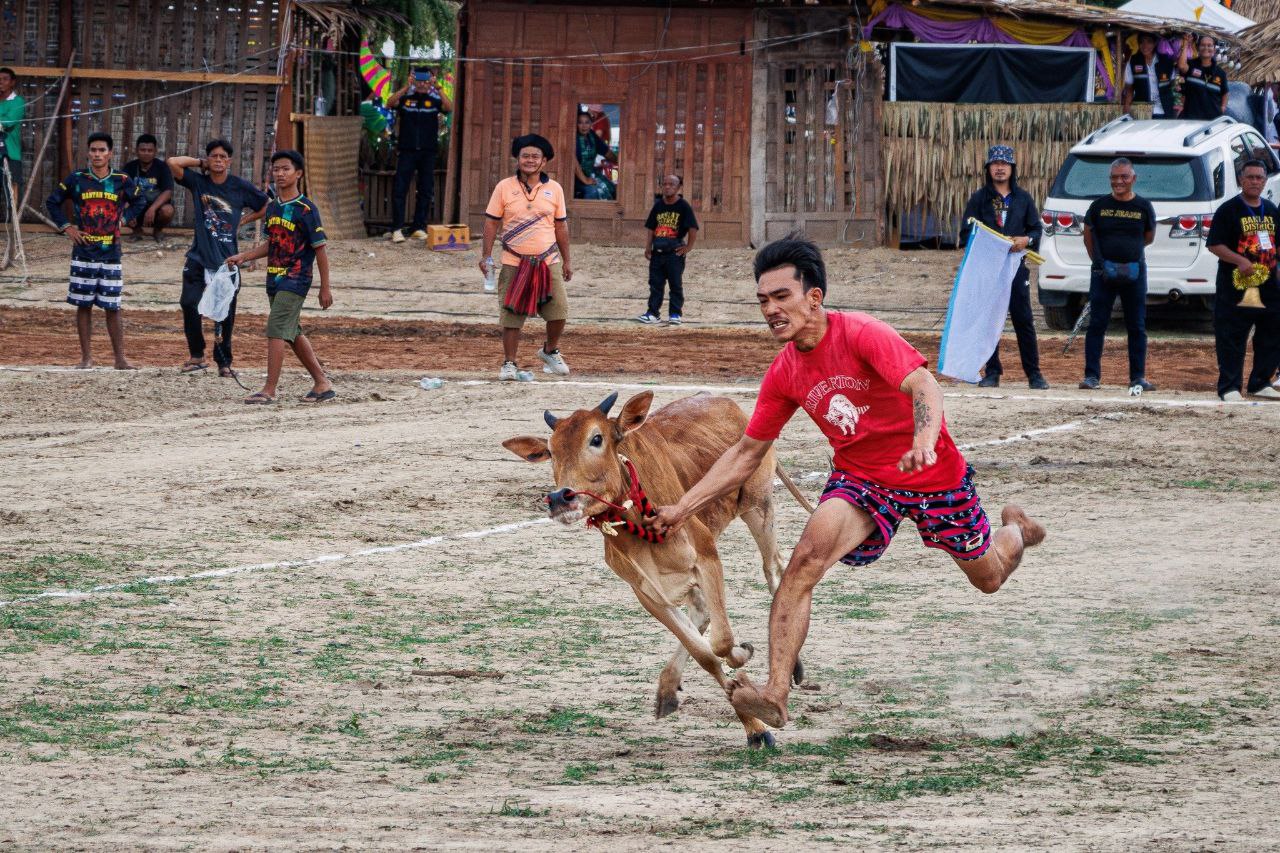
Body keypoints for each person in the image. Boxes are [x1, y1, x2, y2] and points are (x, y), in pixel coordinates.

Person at [646, 235, 1045, 729]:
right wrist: (681, 508)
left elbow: (923, 384)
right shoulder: (785, 370)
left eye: (781, 296)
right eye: (763, 300)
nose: (770, 309)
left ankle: (1016, 529)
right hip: (861, 480)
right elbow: (747, 452)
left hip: (932, 472)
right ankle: (774, 693)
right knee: (801, 566)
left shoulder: (862, 333)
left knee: (988, 577)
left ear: (814, 297)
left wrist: (923, 440)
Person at [225, 150, 334, 404]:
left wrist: (325, 288)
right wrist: (245, 256)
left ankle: (269, 390)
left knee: (275, 329)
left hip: (296, 279)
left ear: (298, 174)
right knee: (292, 332)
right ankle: (322, 383)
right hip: (273, 279)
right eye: (276, 169)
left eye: (285, 169)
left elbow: (320, 249)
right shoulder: (273, 208)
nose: (280, 174)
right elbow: (272, 245)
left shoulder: (306, 209)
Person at [45, 132, 147, 369]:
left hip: (111, 252)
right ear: (88, 152)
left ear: (110, 153)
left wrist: (124, 220)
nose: (97, 154)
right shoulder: (77, 178)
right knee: (84, 304)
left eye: (102, 150)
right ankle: (86, 358)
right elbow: (53, 202)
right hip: (84, 251)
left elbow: (140, 202)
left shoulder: (122, 179)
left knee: (113, 305)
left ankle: (120, 359)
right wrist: (67, 227)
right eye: (93, 150)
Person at [168, 138, 269, 377]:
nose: (218, 161)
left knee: (225, 312)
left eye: (223, 157)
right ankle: (196, 355)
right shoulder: (199, 183)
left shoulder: (239, 186)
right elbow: (173, 162)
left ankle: (224, 362)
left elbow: (266, 205)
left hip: (227, 260)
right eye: (214, 156)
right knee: (188, 303)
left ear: (230, 161)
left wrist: (244, 220)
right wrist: (199, 162)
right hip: (198, 256)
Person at [478, 133, 572, 381]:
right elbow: (490, 224)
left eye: (535, 156)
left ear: (544, 161)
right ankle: (509, 363)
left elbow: (561, 227)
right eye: (525, 156)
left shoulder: (555, 190)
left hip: (548, 260)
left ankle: (550, 351)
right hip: (513, 260)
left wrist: (568, 261)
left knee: (559, 311)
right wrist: (486, 256)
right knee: (511, 315)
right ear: (517, 159)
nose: (529, 160)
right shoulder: (504, 187)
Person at [960, 145, 1048, 390]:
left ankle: (1034, 374)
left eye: (1005, 164)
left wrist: (1025, 240)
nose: (1000, 168)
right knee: (989, 321)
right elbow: (966, 232)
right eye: (995, 164)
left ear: (1012, 168)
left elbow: (1036, 231)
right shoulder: (979, 199)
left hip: (1016, 268)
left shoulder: (1023, 199)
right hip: (988, 270)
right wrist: (991, 243)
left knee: (1024, 320)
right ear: (988, 168)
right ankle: (992, 372)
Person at [1205, 159, 1280, 402]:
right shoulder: (1228, 210)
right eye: (1250, 177)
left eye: (1259, 177)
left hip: (1268, 286)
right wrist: (1239, 260)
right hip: (1235, 285)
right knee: (1232, 335)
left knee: (1271, 333)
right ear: (1241, 179)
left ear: (1265, 181)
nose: (1255, 181)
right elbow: (1215, 244)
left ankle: (1260, 382)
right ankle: (1229, 387)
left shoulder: (1271, 209)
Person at [1080, 158, 1157, 392]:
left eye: (1124, 177)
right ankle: (1091, 376)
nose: (1118, 182)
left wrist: (1129, 255)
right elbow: (1088, 236)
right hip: (1103, 272)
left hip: (1135, 271)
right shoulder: (1098, 206)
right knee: (1097, 324)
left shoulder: (1143, 206)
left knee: (1136, 325)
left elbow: (1149, 237)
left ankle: (1138, 377)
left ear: (1133, 178)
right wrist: (1100, 263)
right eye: (1114, 177)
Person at [385, 66, 451, 243]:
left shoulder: (434, 100)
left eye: (425, 80)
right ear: (413, 79)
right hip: (407, 151)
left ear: (430, 80)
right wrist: (407, 86)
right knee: (400, 189)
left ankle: (418, 227)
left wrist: (438, 87)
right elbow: (389, 103)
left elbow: (448, 107)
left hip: (428, 152)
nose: (422, 84)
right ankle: (397, 228)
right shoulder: (406, 100)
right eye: (419, 80)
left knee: (425, 190)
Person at [639, 175, 699, 325]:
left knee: (675, 284)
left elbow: (693, 228)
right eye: (664, 184)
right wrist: (648, 247)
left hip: (674, 254)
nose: (667, 187)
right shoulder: (658, 205)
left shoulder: (683, 206)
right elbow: (651, 227)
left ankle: (675, 314)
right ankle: (653, 313)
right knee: (655, 284)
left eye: (671, 184)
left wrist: (688, 247)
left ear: (679, 188)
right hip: (657, 253)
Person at [121, 133, 175, 242]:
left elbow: (168, 192)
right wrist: (127, 209)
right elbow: (122, 190)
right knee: (119, 207)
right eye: (143, 150)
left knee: (168, 210)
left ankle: (157, 230)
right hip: (136, 206)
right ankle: (137, 231)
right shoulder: (129, 167)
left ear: (155, 152)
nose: (146, 153)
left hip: (155, 208)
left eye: (150, 150)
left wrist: (152, 209)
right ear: (137, 151)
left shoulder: (162, 167)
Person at [1123, 34, 1178, 120]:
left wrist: (1175, 104)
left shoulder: (1166, 61)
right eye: (1142, 42)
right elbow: (1129, 87)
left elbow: (1173, 85)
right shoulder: (1134, 61)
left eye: (1149, 42)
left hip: (1163, 111)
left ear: (1155, 43)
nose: (1145, 45)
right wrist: (1127, 106)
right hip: (1142, 112)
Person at [1177, 33, 1228, 122]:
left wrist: (1223, 107)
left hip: (1213, 121)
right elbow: (1181, 66)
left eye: (1209, 45)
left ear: (1214, 49)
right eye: (1203, 45)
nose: (1206, 48)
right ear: (1198, 48)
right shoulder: (1191, 65)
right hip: (1190, 119)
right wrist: (1185, 44)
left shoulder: (1221, 73)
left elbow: (1225, 92)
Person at [573, 110, 616, 200]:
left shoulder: (592, 135)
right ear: (576, 125)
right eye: (580, 122)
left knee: (612, 188)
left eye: (587, 122)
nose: (584, 126)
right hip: (575, 177)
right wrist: (585, 179)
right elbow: (573, 161)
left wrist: (619, 161)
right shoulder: (573, 137)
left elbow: (606, 152)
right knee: (593, 191)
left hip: (590, 173)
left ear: (591, 124)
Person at [0, 67, 25, 218]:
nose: (0, 82)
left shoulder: (17, 101)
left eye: (5, 79)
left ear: (12, 82)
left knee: (12, 190)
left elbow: (8, 122)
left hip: (10, 153)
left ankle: (14, 224)